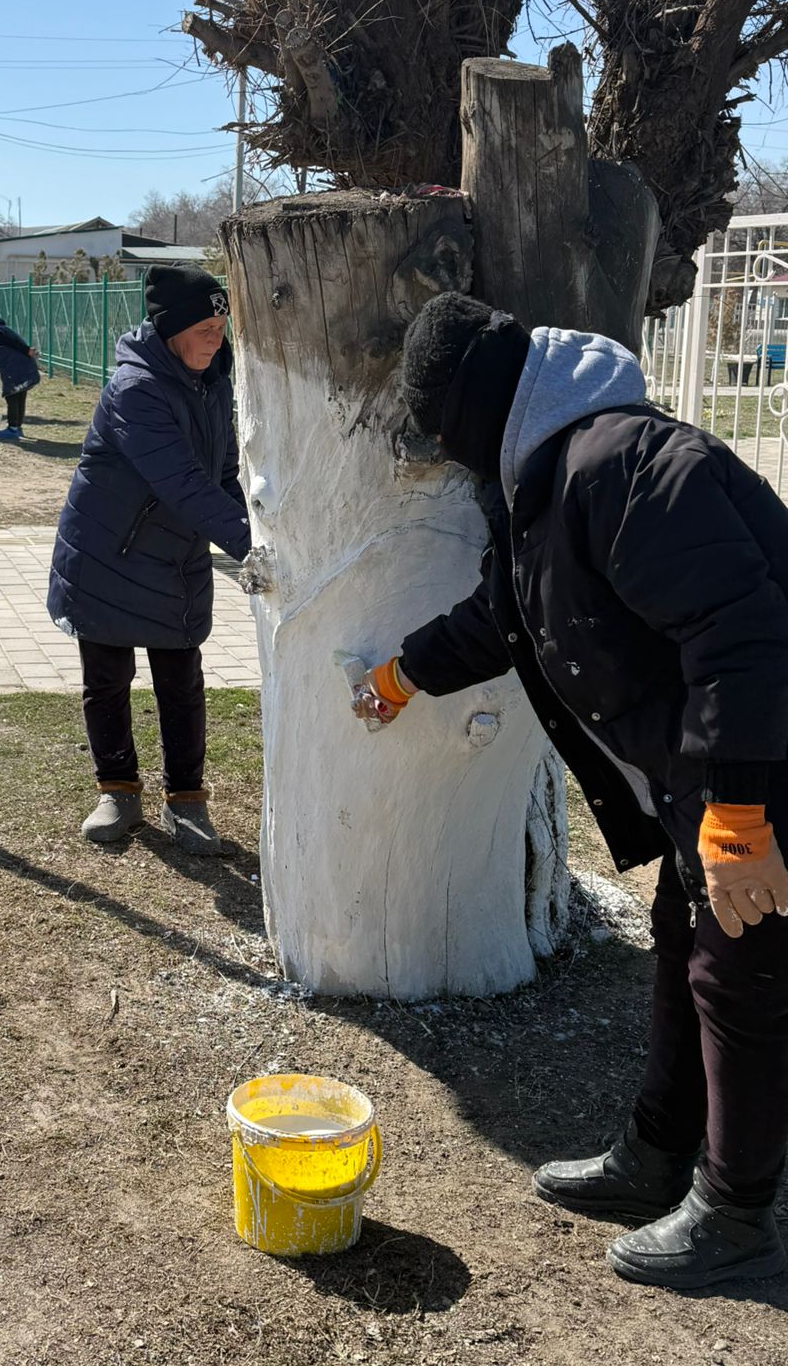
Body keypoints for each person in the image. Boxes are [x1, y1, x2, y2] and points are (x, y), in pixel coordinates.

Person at [356, 293, 788, 1291]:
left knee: (745, 977)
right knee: (689, 952)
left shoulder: (619, 465)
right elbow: (504, 616)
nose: (440, 446)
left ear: (470, 404)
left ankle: (737, 1215)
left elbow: (742, 629)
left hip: (758, 766)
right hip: (712, 776)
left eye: (437, 422)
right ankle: (656, 1155)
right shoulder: (542, 481)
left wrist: (742, 811)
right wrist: (404, 675)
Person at [48, 264, 250, 855]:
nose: (216, 336)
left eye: (220, 325)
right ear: (170, 330)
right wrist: (250, 546)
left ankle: (187, 803)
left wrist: (260, 532)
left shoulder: (215, 383)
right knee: (107, 679)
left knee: (181, 681)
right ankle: (118, 792)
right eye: (204, 326)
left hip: (175, 556)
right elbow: (182, 482)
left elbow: (222, 475)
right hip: (109, 553)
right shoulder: (135, 390)